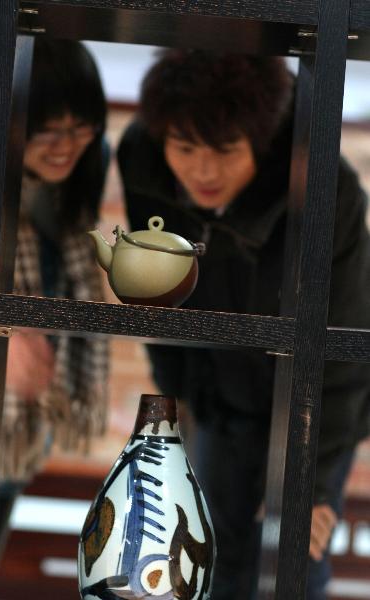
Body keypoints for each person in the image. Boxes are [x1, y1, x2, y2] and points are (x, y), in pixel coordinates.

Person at [117, 50, 370, 599]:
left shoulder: (330, 188)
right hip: (217, 401)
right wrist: (180, 401)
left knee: (291, 568)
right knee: (205, 560)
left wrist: (315, 484)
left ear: (261, 139)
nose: (203, 171)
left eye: (226, 151)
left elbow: (345, 351)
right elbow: (161, 300)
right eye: (185, 149)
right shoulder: (142, 155)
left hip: (315, 406)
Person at [0, 38, 110, 556]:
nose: (67, 144)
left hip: (16, 435)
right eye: (48, 128)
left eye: (82, 125)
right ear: (4, 119)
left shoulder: (74, 182)